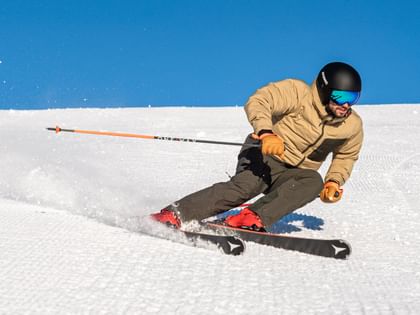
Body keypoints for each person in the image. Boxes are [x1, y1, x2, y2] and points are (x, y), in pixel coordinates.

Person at [151, 61, 363, 232]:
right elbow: (260, 100)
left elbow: (346, 156)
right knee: (245, 188)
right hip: (264, 153)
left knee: (313, 181)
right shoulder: (298, 93)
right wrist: (266, 132)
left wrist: (333, 182)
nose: (346, 105)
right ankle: (174, 214)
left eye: (353, 98)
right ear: (325, 91)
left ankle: (250, 217)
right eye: (341, 96)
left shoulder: (351, 126)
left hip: (293, 172)